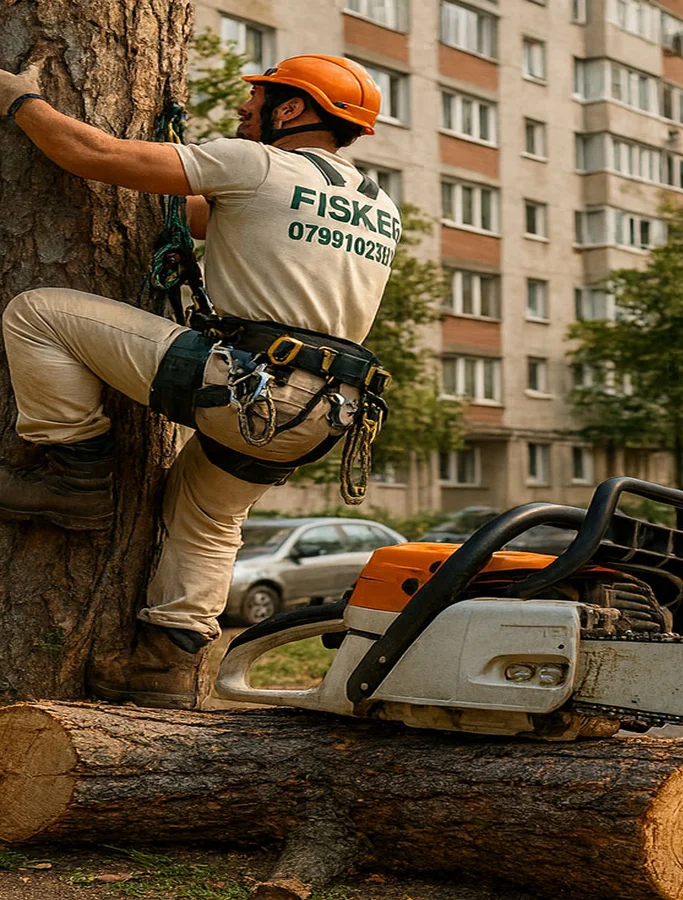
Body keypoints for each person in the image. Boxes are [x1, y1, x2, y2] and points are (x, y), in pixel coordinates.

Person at [0, 55, 397, 709]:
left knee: (36, 313)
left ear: (290, 109)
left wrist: (21, 101)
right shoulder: (378, 206)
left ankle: (74, 475)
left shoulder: (257, 164)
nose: (244, 110)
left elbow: (90, 154)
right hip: (326, 411)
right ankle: (163, 665)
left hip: (247, 385)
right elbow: (200, 215)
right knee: (210, 514)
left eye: (256, 99)